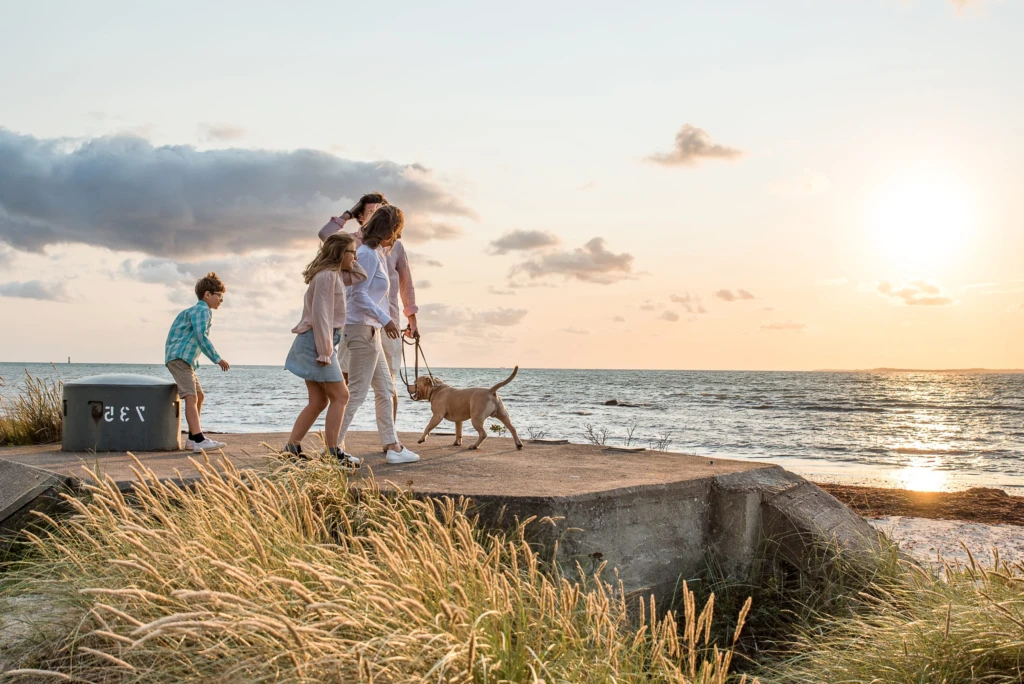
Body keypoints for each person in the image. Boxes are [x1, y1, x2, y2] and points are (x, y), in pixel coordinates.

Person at [320, 192, 419, 420]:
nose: (377, 215)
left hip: (389, 323)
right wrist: (347, 214)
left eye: (381, 211)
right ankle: (336, 438)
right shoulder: (352, 243)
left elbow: (406, 282)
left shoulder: (396, 247)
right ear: (361, 216)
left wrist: (411, 317)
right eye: (371, 211)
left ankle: (390, 441)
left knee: (387, 385)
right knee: (348, 383)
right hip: (357, 323)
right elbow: (325, 234)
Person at [337, 205, 420, 464]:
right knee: (357, 392)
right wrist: (386, 320)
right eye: (397, 231)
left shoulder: (375, 253)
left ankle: (393, 447)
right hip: (361, 330)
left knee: (385, 390)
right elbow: (357, 296)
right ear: (388, 230)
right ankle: (333, 448)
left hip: (369, 330)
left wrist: (389, 320)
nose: (398, 237)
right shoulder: (367, 255)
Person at [282, 233, 367, 467]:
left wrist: (350, 250)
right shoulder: (328, 277)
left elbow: (361, 275)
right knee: (341, 395)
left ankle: (291, 449)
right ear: (340, 253)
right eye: (352, 252)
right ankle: (332, 453)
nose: (356, 257)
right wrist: (325, 351)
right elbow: (321, 316)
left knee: (319, 401)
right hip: (317, 343)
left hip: (319, 342)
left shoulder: (335, 274)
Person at [164, 272, 230, 453]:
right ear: (207, 294)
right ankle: (199, 439)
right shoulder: (202, 310)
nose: (221, 300)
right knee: (191, 397)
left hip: (184, 360)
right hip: (180, 359)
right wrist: (217, 359)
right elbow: (202, 337)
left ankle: (192, 439)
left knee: (199, 396)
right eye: (219, 296)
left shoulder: (194, 311)